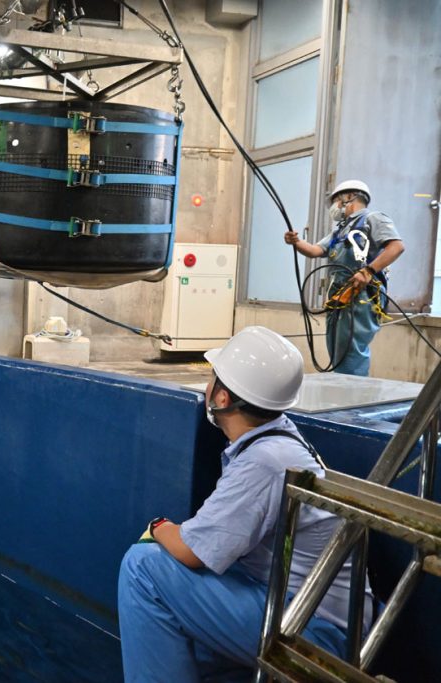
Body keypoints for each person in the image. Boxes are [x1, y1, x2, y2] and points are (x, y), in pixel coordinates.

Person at [118, 326, 372, 683]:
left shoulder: (264, 461)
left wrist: (158, 526)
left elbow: (191, 551)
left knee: (142, 569)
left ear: (222, 398)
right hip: (304, 609)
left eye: (212, 378)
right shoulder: (279, 438)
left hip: (313, 630)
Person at [284, 180, 405, 376]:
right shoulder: (340, 229)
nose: (334, 207)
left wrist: (368, 271)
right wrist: (296, 242)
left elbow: (396, 247)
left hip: (362, 295)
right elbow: (316, 250)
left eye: (336, 201)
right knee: (337, 349)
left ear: (349, 197)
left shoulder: (373, 219)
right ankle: (341, 393)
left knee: (351, 350)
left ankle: (353, 401)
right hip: (341, 296)